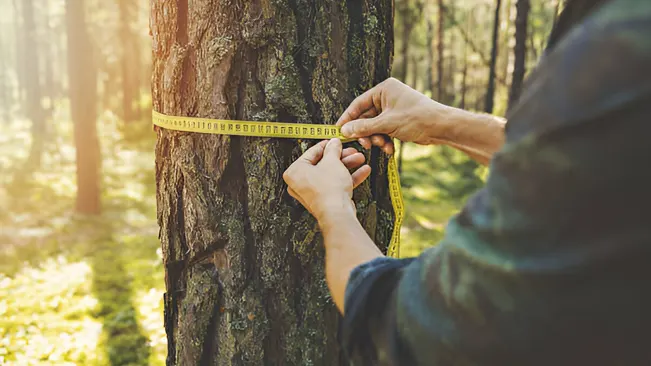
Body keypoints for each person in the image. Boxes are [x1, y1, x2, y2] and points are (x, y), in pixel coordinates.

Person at [283, 0, 651, 364]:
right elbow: (585, 162)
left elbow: (418, 331)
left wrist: (333, 207)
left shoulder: (619, 46)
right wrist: (444, 123)